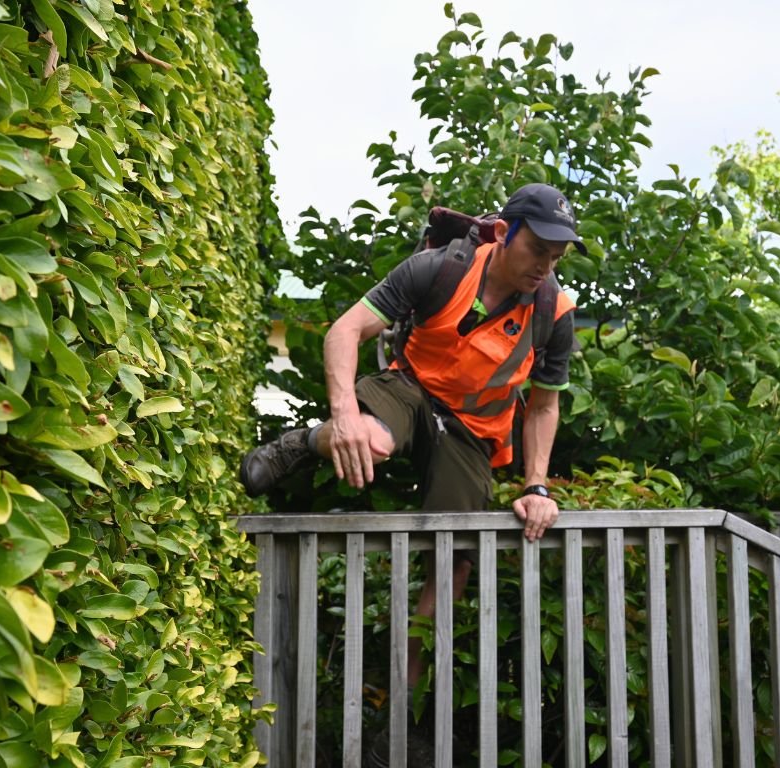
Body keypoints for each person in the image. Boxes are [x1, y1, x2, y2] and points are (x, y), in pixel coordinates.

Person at [239, 182, 583, 764]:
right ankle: (305, 442)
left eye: (558, 253)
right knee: (367, 441)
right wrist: (343, 415)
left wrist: (537, 486)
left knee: (448, 573)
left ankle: (397, 718)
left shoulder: (553, 311)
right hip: (413, 390)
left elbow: (543, 406)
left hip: (475, 431)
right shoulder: (437, 270)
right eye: (538, 248)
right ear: (504, 233)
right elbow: (344, 331)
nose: (546, 264)